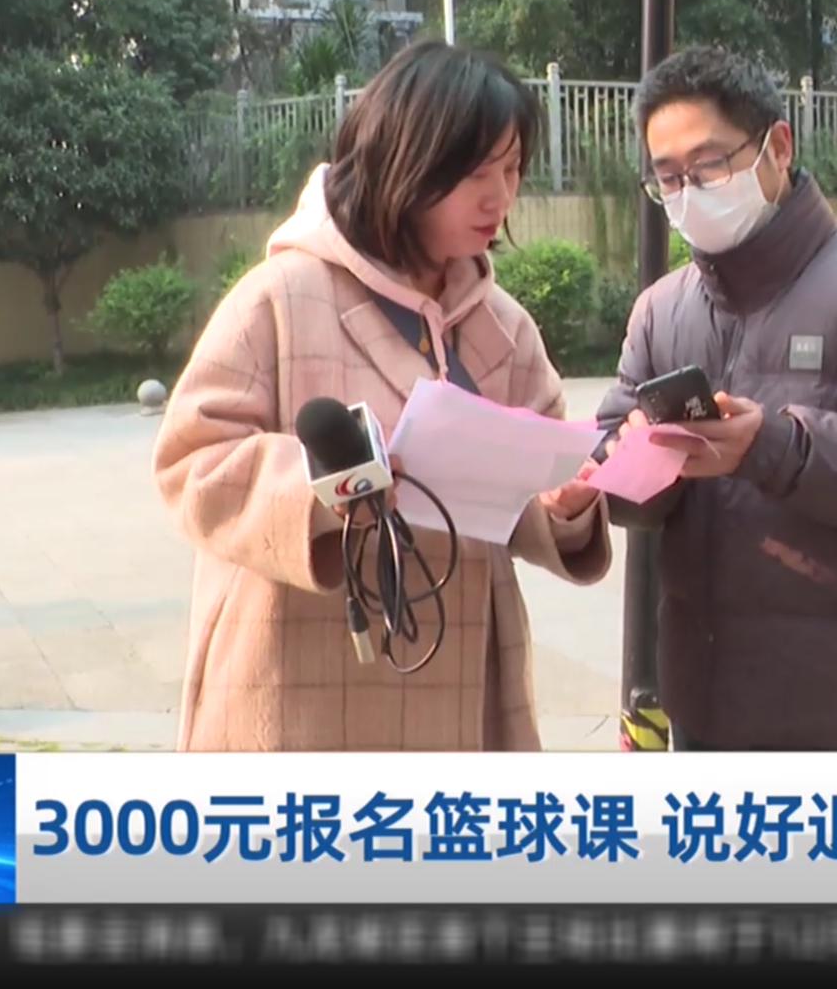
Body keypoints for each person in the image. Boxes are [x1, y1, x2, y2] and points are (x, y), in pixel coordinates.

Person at [154, 42, 612, 752]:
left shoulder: (504, 327)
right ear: (406, 164)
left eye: (513, 169)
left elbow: (539, 482)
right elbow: (192, 462)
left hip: (461, 674)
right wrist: (328, 490)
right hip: (298, 671)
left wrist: (567, 504)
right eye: (476, 173)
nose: (500, 197)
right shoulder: (279, 297)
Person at [596, 46, 837, 752]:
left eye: (709, 165)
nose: (689, 192)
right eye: (668, 178)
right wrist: (611, 472)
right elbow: (617, 456)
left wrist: (773, 446)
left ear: (778, 147)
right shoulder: (661, 310)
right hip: (700, 708)